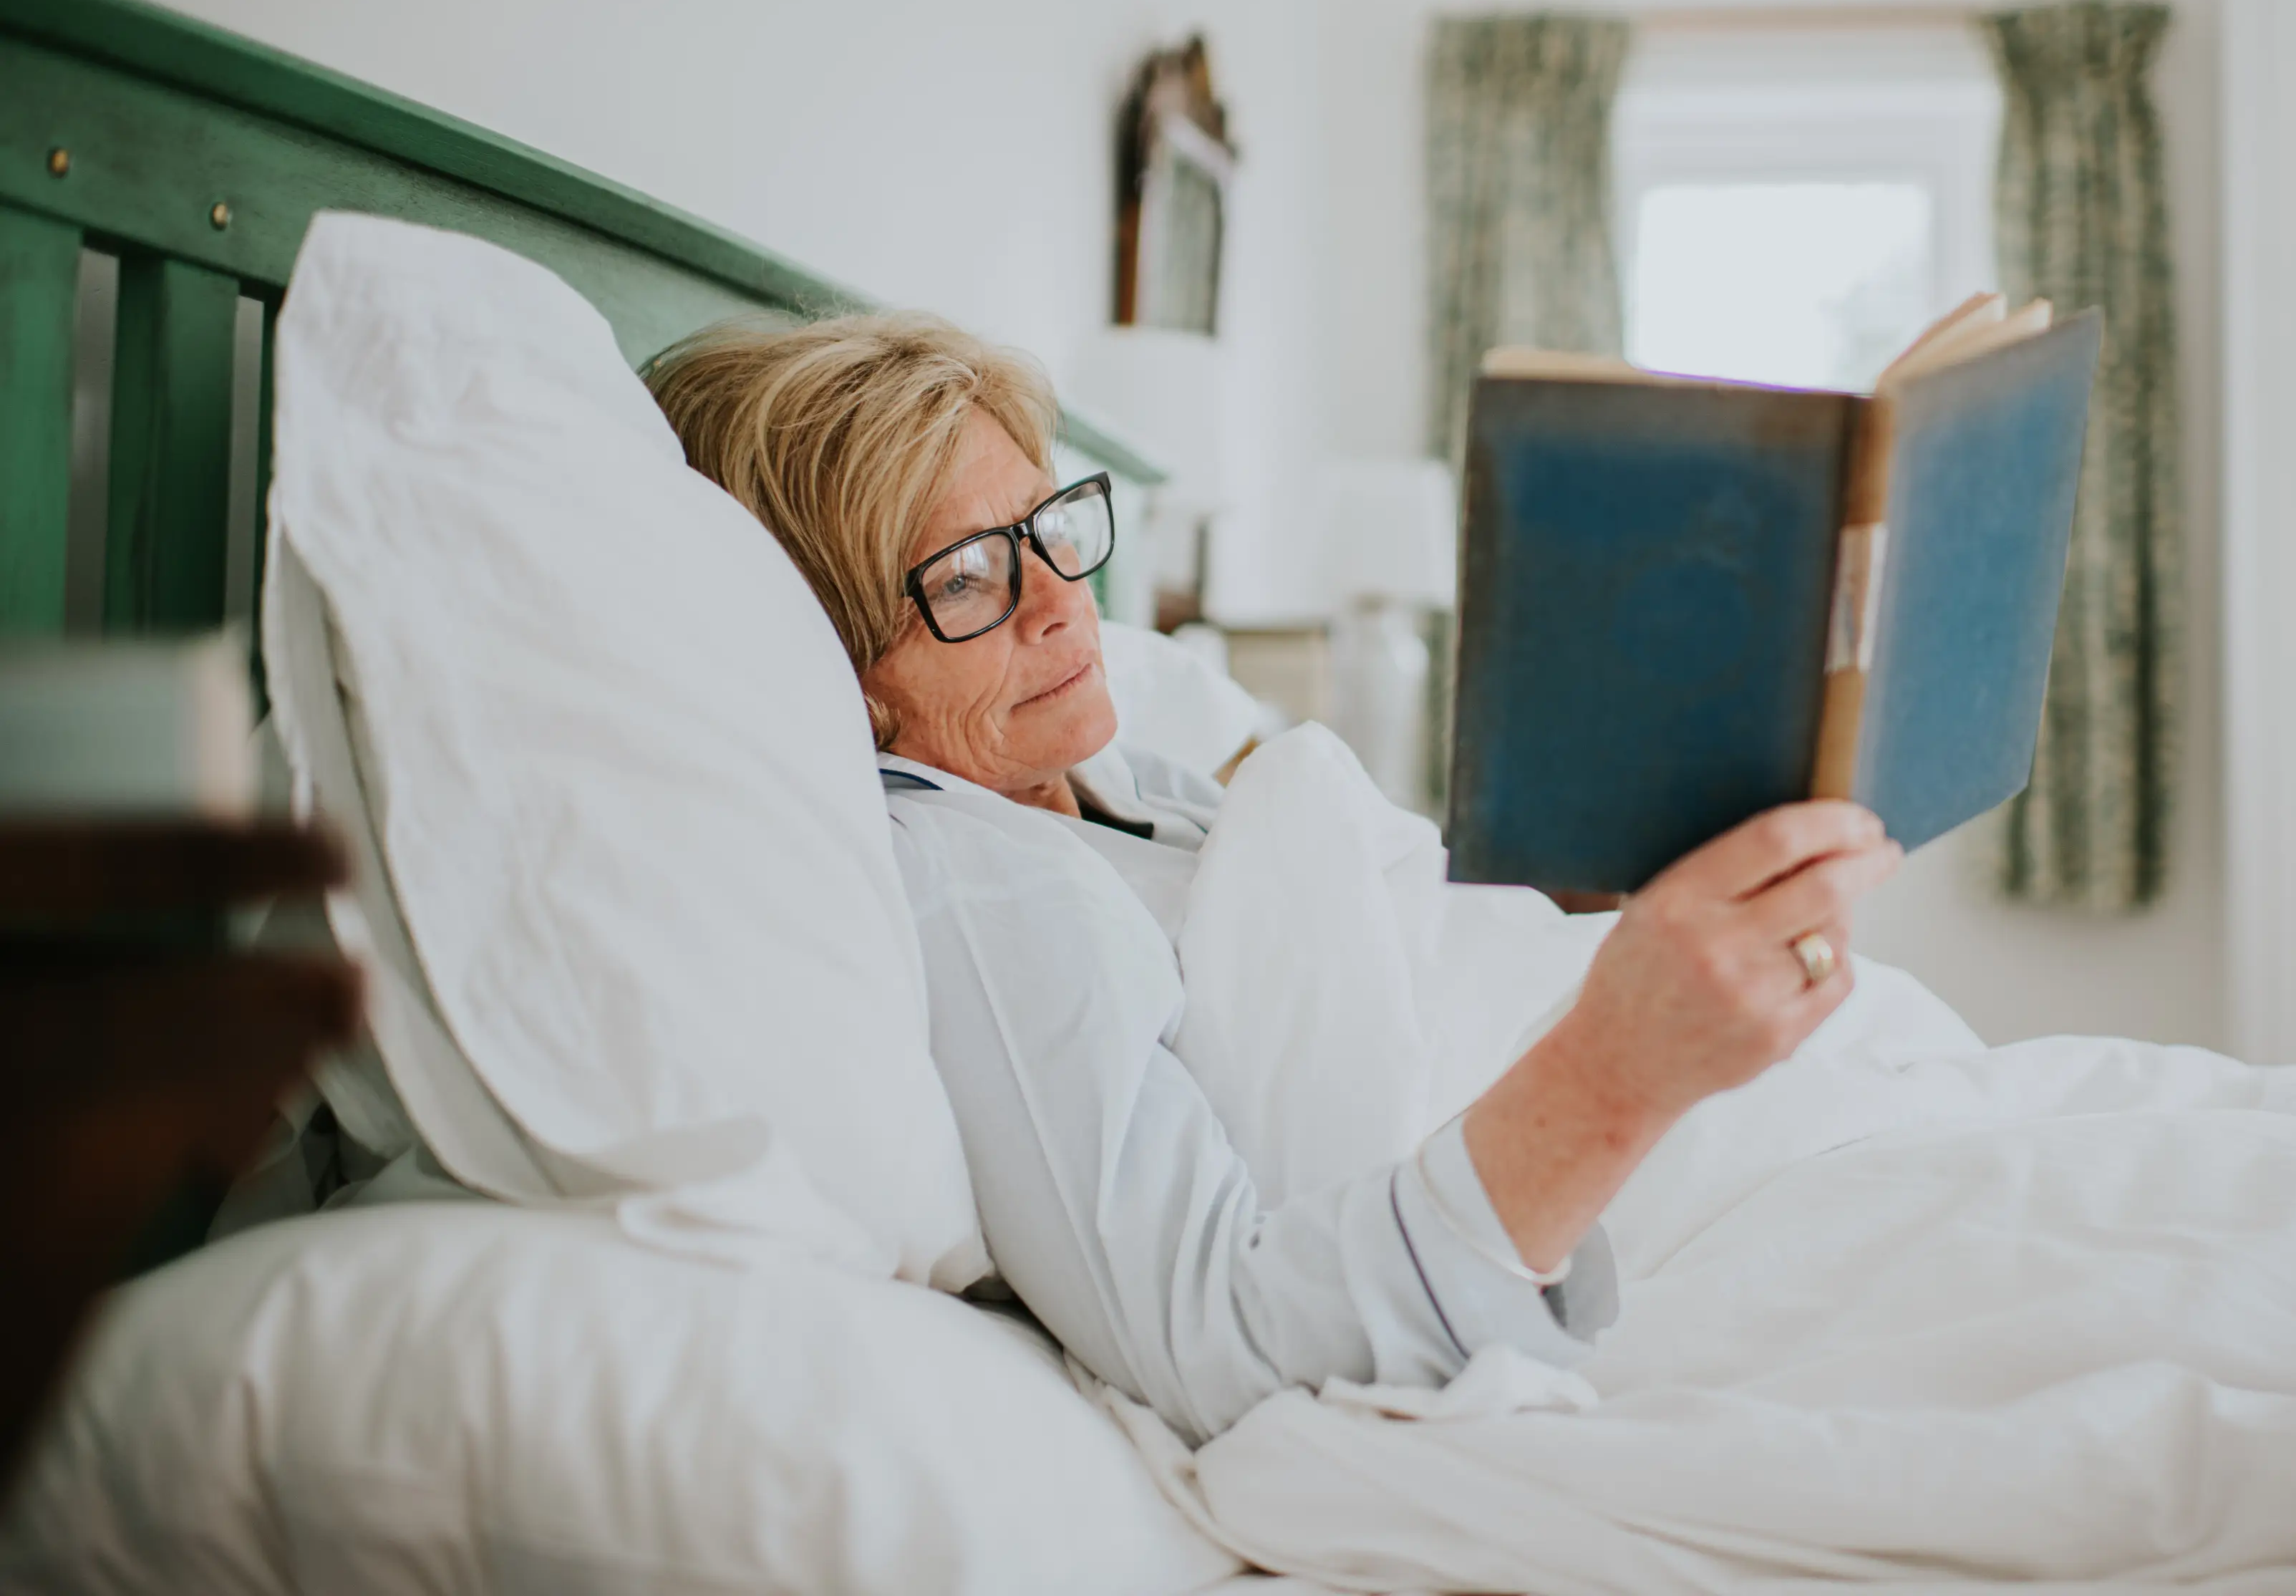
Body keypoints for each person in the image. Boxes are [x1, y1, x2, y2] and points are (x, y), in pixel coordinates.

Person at [651, 313, 1902, 1446]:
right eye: (967, 577)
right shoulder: (980, 891)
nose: (1060, 602)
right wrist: (1623, 1070)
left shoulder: (1126, 784)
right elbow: (1216, 1332)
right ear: (837, 665)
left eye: (1047, 527)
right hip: (1643, 1166)